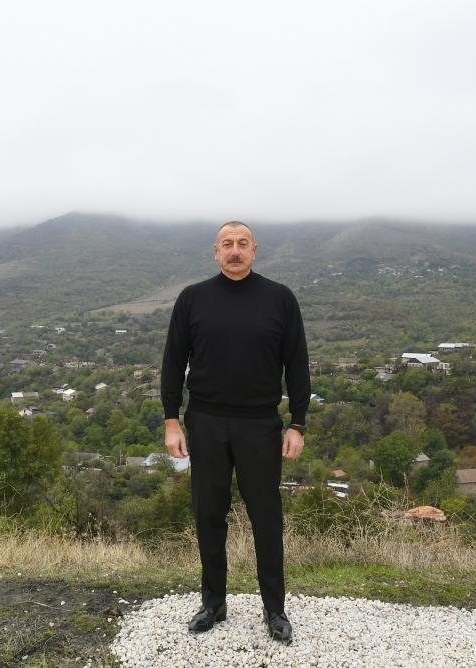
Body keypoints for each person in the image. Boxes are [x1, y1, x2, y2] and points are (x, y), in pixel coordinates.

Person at [161, 221, 310, 644]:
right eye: (227, 244)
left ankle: (275, 609)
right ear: (215, 252)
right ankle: (213, 603)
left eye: (243, 243)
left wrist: (297, 423)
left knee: (266, 517)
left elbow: (297, 363)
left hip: (260, 423)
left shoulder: (279, 298)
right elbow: (173, 361)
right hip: (205, 421)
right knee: (209, 514)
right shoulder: (193, 299)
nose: (235, 250)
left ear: (254, 250)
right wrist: (171, 420)